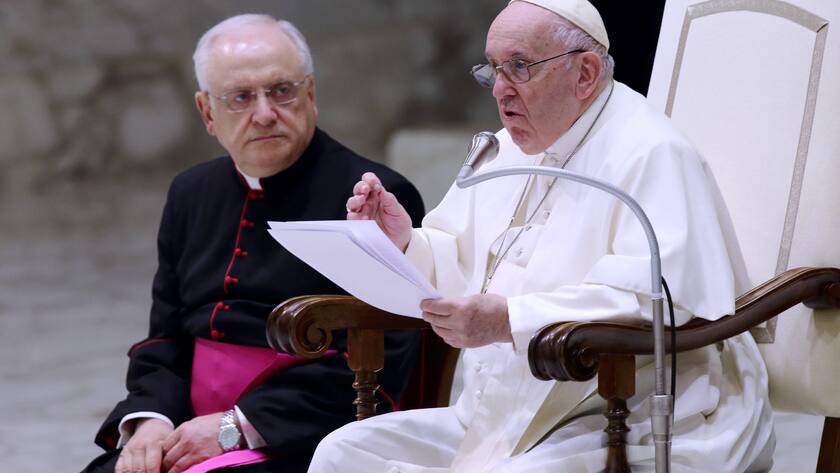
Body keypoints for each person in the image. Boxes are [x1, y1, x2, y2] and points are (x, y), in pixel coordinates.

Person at [309, 0, 774, 471]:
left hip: (620, 415)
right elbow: (464, 263)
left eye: (519, 67)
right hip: (501, 416)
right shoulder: (510, 146)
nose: (500, 90)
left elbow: (660, 300)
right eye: (493, 70)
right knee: (343, 453)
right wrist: (406, 241)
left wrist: (512, 319)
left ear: (586, 73)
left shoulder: (651, 153)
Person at [81, 14, 425, 473]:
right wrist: (151, 422)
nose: (264, 112)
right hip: (186, 429)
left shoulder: (376, 196)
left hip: (307, 435)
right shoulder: (191, 192)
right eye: (241, 97)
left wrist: (235, 427)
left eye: (281, 90)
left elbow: (381, 367)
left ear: (311, 96)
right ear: (207, 113)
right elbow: (166, 338)